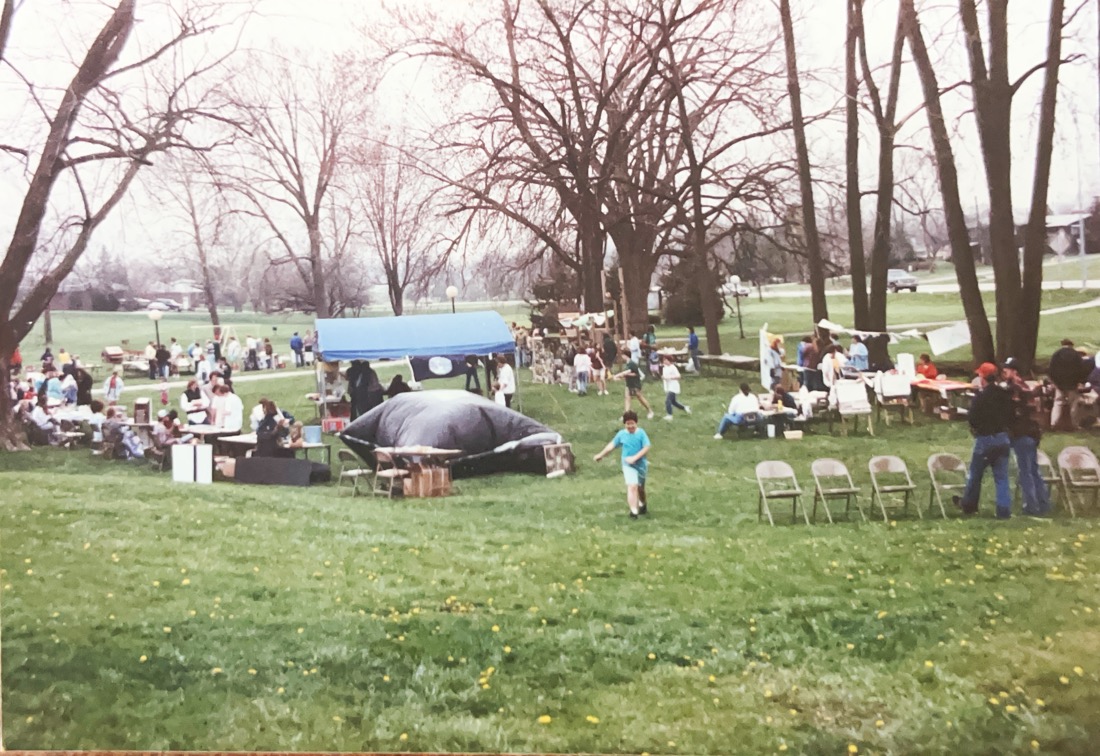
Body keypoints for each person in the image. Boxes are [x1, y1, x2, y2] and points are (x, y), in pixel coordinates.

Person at [953, 362, 1013, 519]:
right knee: (1001, 477)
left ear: (983, 377)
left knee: (975, 474)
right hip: (1002, 437)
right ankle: (1004, 510)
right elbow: (1011, 414)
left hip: (985, 438)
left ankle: (969, 505)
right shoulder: (1004, 394)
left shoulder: (981, 397)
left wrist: (976, 428)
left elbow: (973, 417)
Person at [1000, 357, 1050, 516]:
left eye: (1007, 369)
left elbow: (1011, 412)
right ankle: (1043, 503)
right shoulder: (1026, 386)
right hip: (1033, 433)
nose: (1004, 372)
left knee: (1025, 471)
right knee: (1034, 469)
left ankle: (1031, 506)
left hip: (1021, 432)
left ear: (1014, 371)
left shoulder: (1014, 389)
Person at [593, 410, 651, 519]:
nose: (630, 426)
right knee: (632, 486)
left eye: (632, 423)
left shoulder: (641, 433)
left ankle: (642, 504)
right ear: (625, 424)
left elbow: (646, 447)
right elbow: (612, 445)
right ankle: (633, 512)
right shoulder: (621, 434)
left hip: (641, 465)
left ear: (636, 423)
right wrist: (601, 455)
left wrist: (635, 458)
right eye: (628, 424)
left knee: (640, 488)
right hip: (627, 465)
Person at [1048, 338, 1087, 430]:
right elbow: (1081, 370)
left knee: (1058, 403)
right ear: (1071, 345)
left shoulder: (1056, 354)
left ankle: (1053, 424)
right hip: (1072, 384)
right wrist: (1079, 382)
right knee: (1074, 404)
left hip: (1059, 384)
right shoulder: (1076, 355)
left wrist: (1055, 382)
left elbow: (1051, 370)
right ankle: (1075, 425)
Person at [611, 348, 654, 418]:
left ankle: (650, 411)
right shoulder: (628, 363)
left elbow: (627, 372)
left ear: (625, 355)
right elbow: (628, 374)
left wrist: (617, 375)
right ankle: (626, 415)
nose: (622, 357)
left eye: (622, 355)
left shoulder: (631, 363)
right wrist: (619, 378)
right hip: (629, 384)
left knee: (640, 397)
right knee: (627, 398)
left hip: (635, 384)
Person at [661, 355, 690, 420]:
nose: (665, 361)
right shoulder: (664, 368)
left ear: (670, 361)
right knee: (673, 402)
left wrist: (670, 377)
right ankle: (685, 407)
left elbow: (678, 376)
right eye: (664, 360)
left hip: (673, 386)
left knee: (667, 401)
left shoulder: (673, 367)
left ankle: (669, 415)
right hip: (668, 386)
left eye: (666, 360)